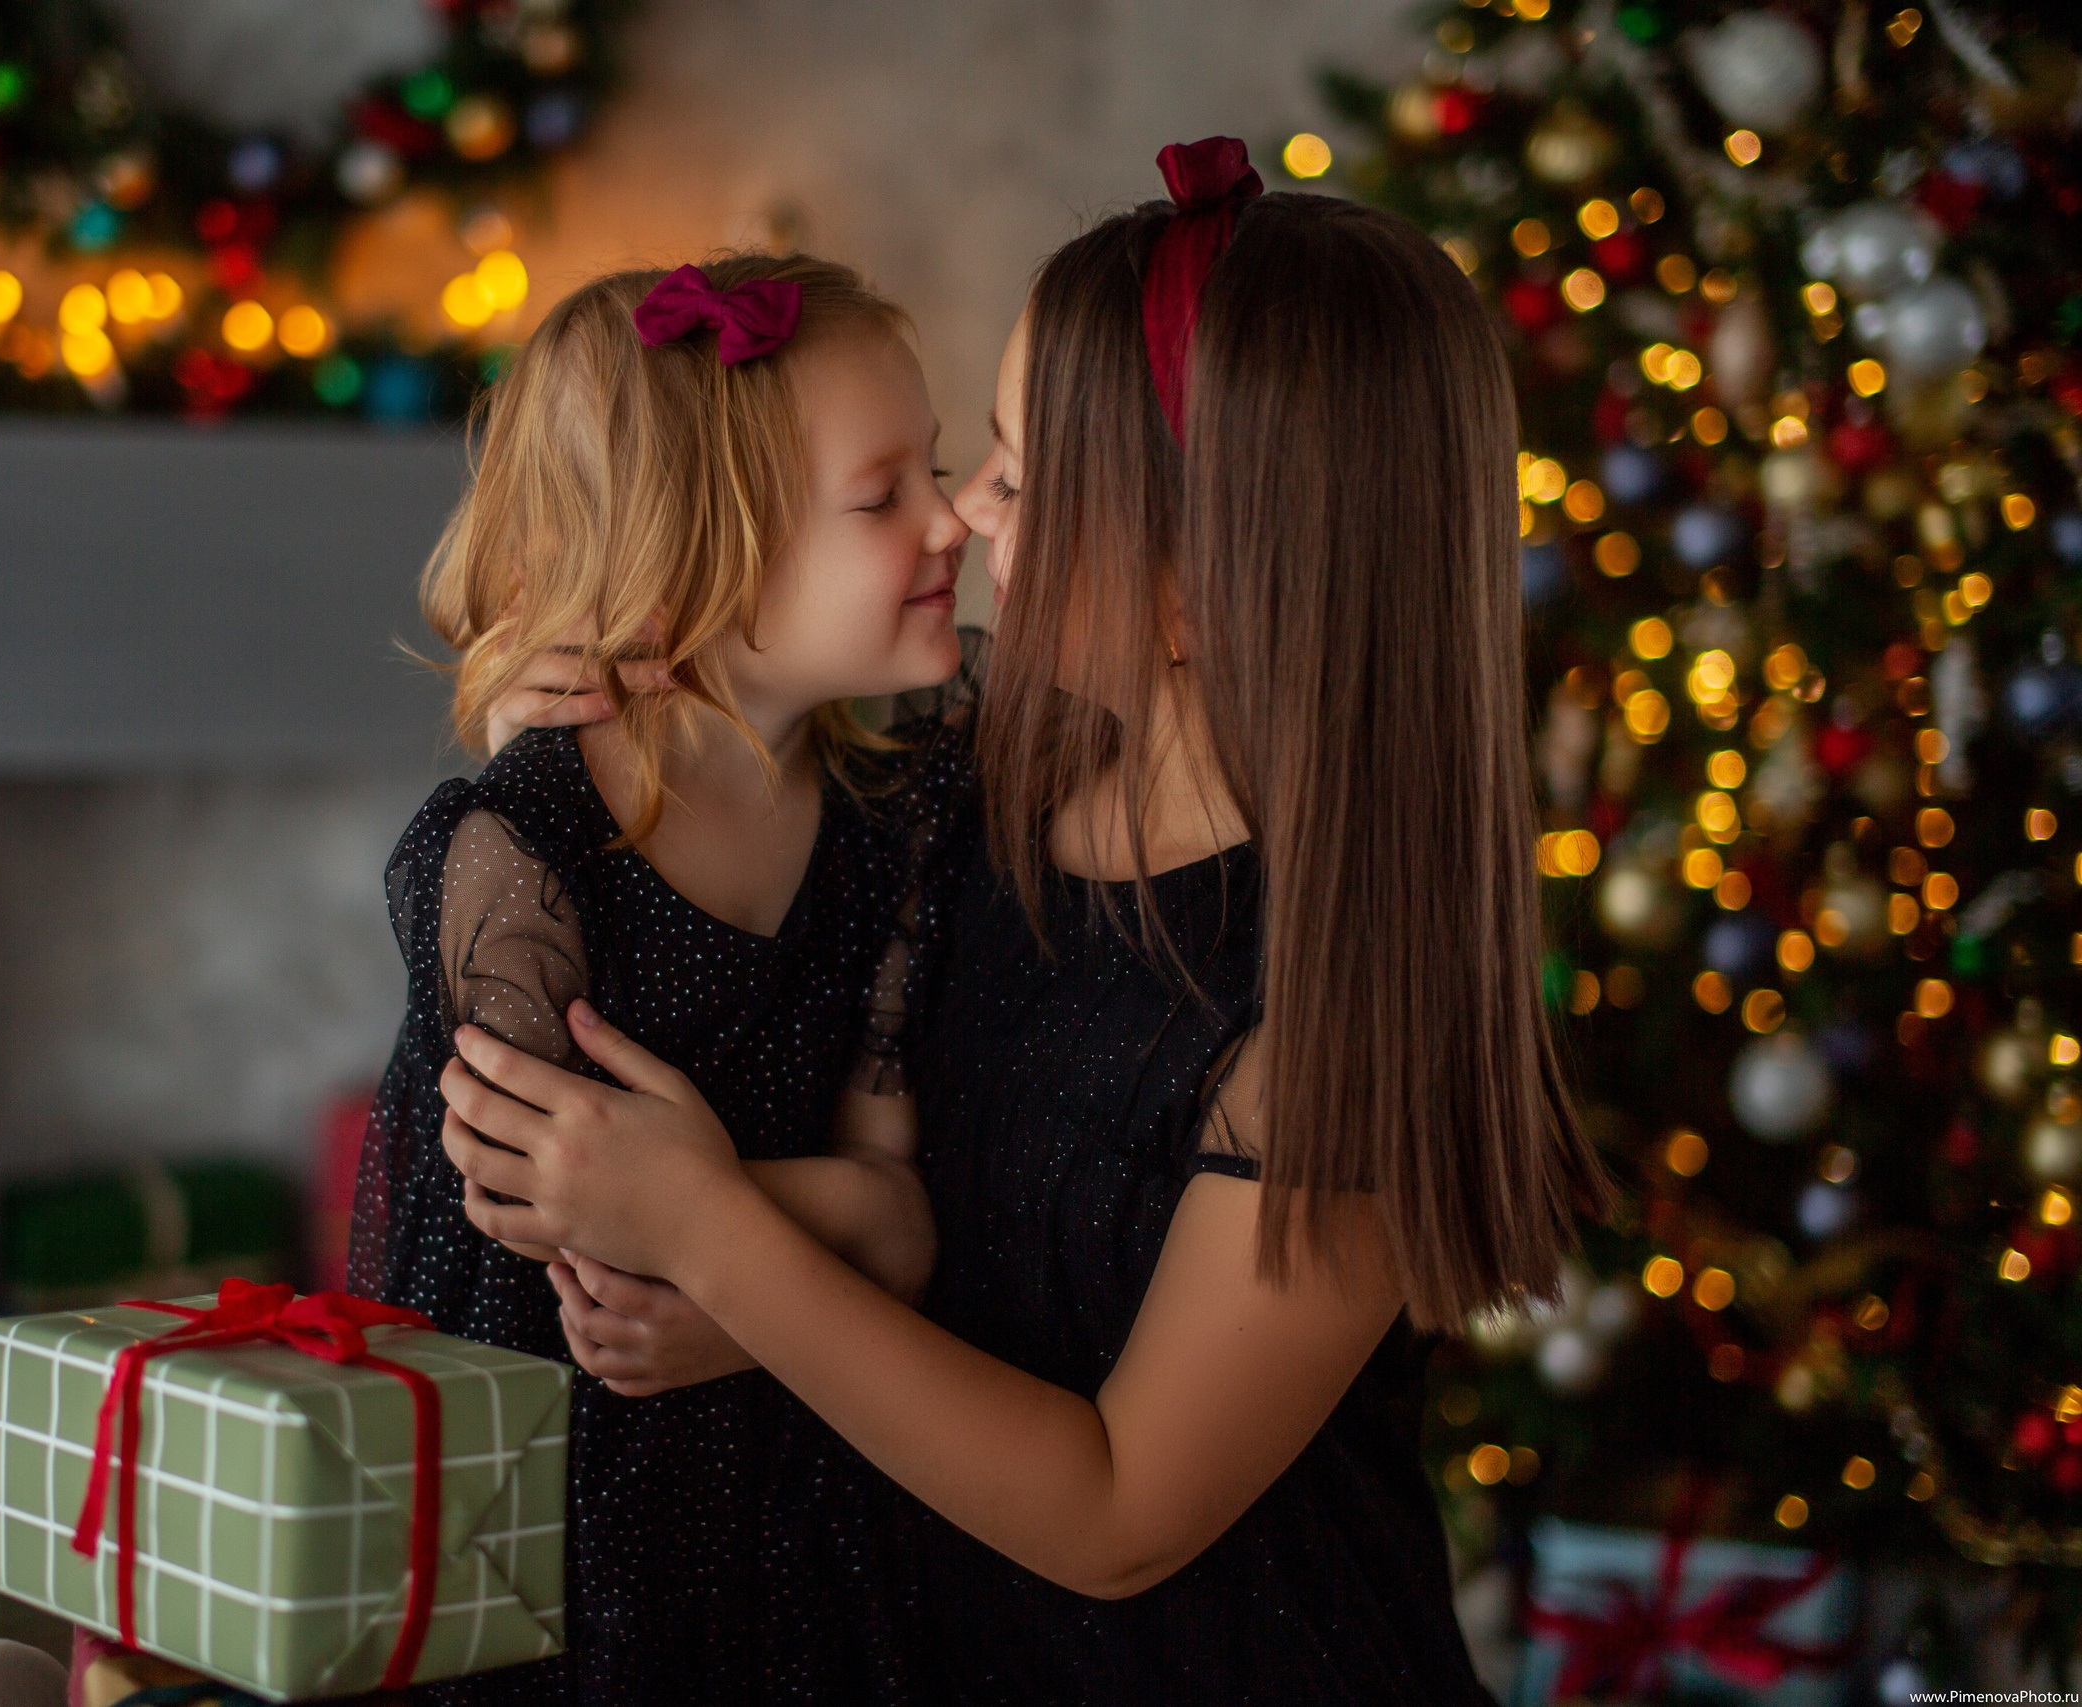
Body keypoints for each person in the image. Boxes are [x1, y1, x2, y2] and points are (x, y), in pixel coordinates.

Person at [437, 141, 1613, 1704]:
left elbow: (1118, 1512)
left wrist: (712, 1237)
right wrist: (586, 745)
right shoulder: (968, 776)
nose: (968, 516)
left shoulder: (1341, 1023)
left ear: (1207, 581)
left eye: (1017, 471)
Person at [354, 253, 970, 1705]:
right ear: (698, 557)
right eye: (885, 496)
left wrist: (774, 1226)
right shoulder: (521, 849)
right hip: (547, 1518)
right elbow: (550, 1228)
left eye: (932, 472)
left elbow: (905, 1206)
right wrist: (834, 1221)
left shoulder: (902, 810)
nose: (955, 520)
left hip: (797, 1478)